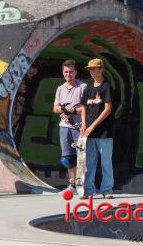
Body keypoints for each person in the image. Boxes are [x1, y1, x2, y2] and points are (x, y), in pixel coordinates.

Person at [80, 58, 114, 199]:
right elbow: (83, 107)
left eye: (94, 69)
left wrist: (93, 125)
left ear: (101, 69)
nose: (92, 72)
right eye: (90, 69)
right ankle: (88, 190)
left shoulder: (106, 87)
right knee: (90, 162)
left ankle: (107, 190)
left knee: (106, 161)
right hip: (89, 132)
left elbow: (108, 109)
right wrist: (83, 124)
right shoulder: (88, 88)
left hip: (104, 132)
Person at [53, 60, 87, 193]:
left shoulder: (82, 87)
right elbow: (55, 109)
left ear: (76, 72)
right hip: (64, 127)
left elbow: (86, 108)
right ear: (63, 73)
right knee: (68, 159)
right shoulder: (60, 89)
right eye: (66, 72)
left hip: (78, 128)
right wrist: (63, 108)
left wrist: (70, 111)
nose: (68, 74)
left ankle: (83, 185)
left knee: (82, 157)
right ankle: (72, 186)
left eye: (71, 72)